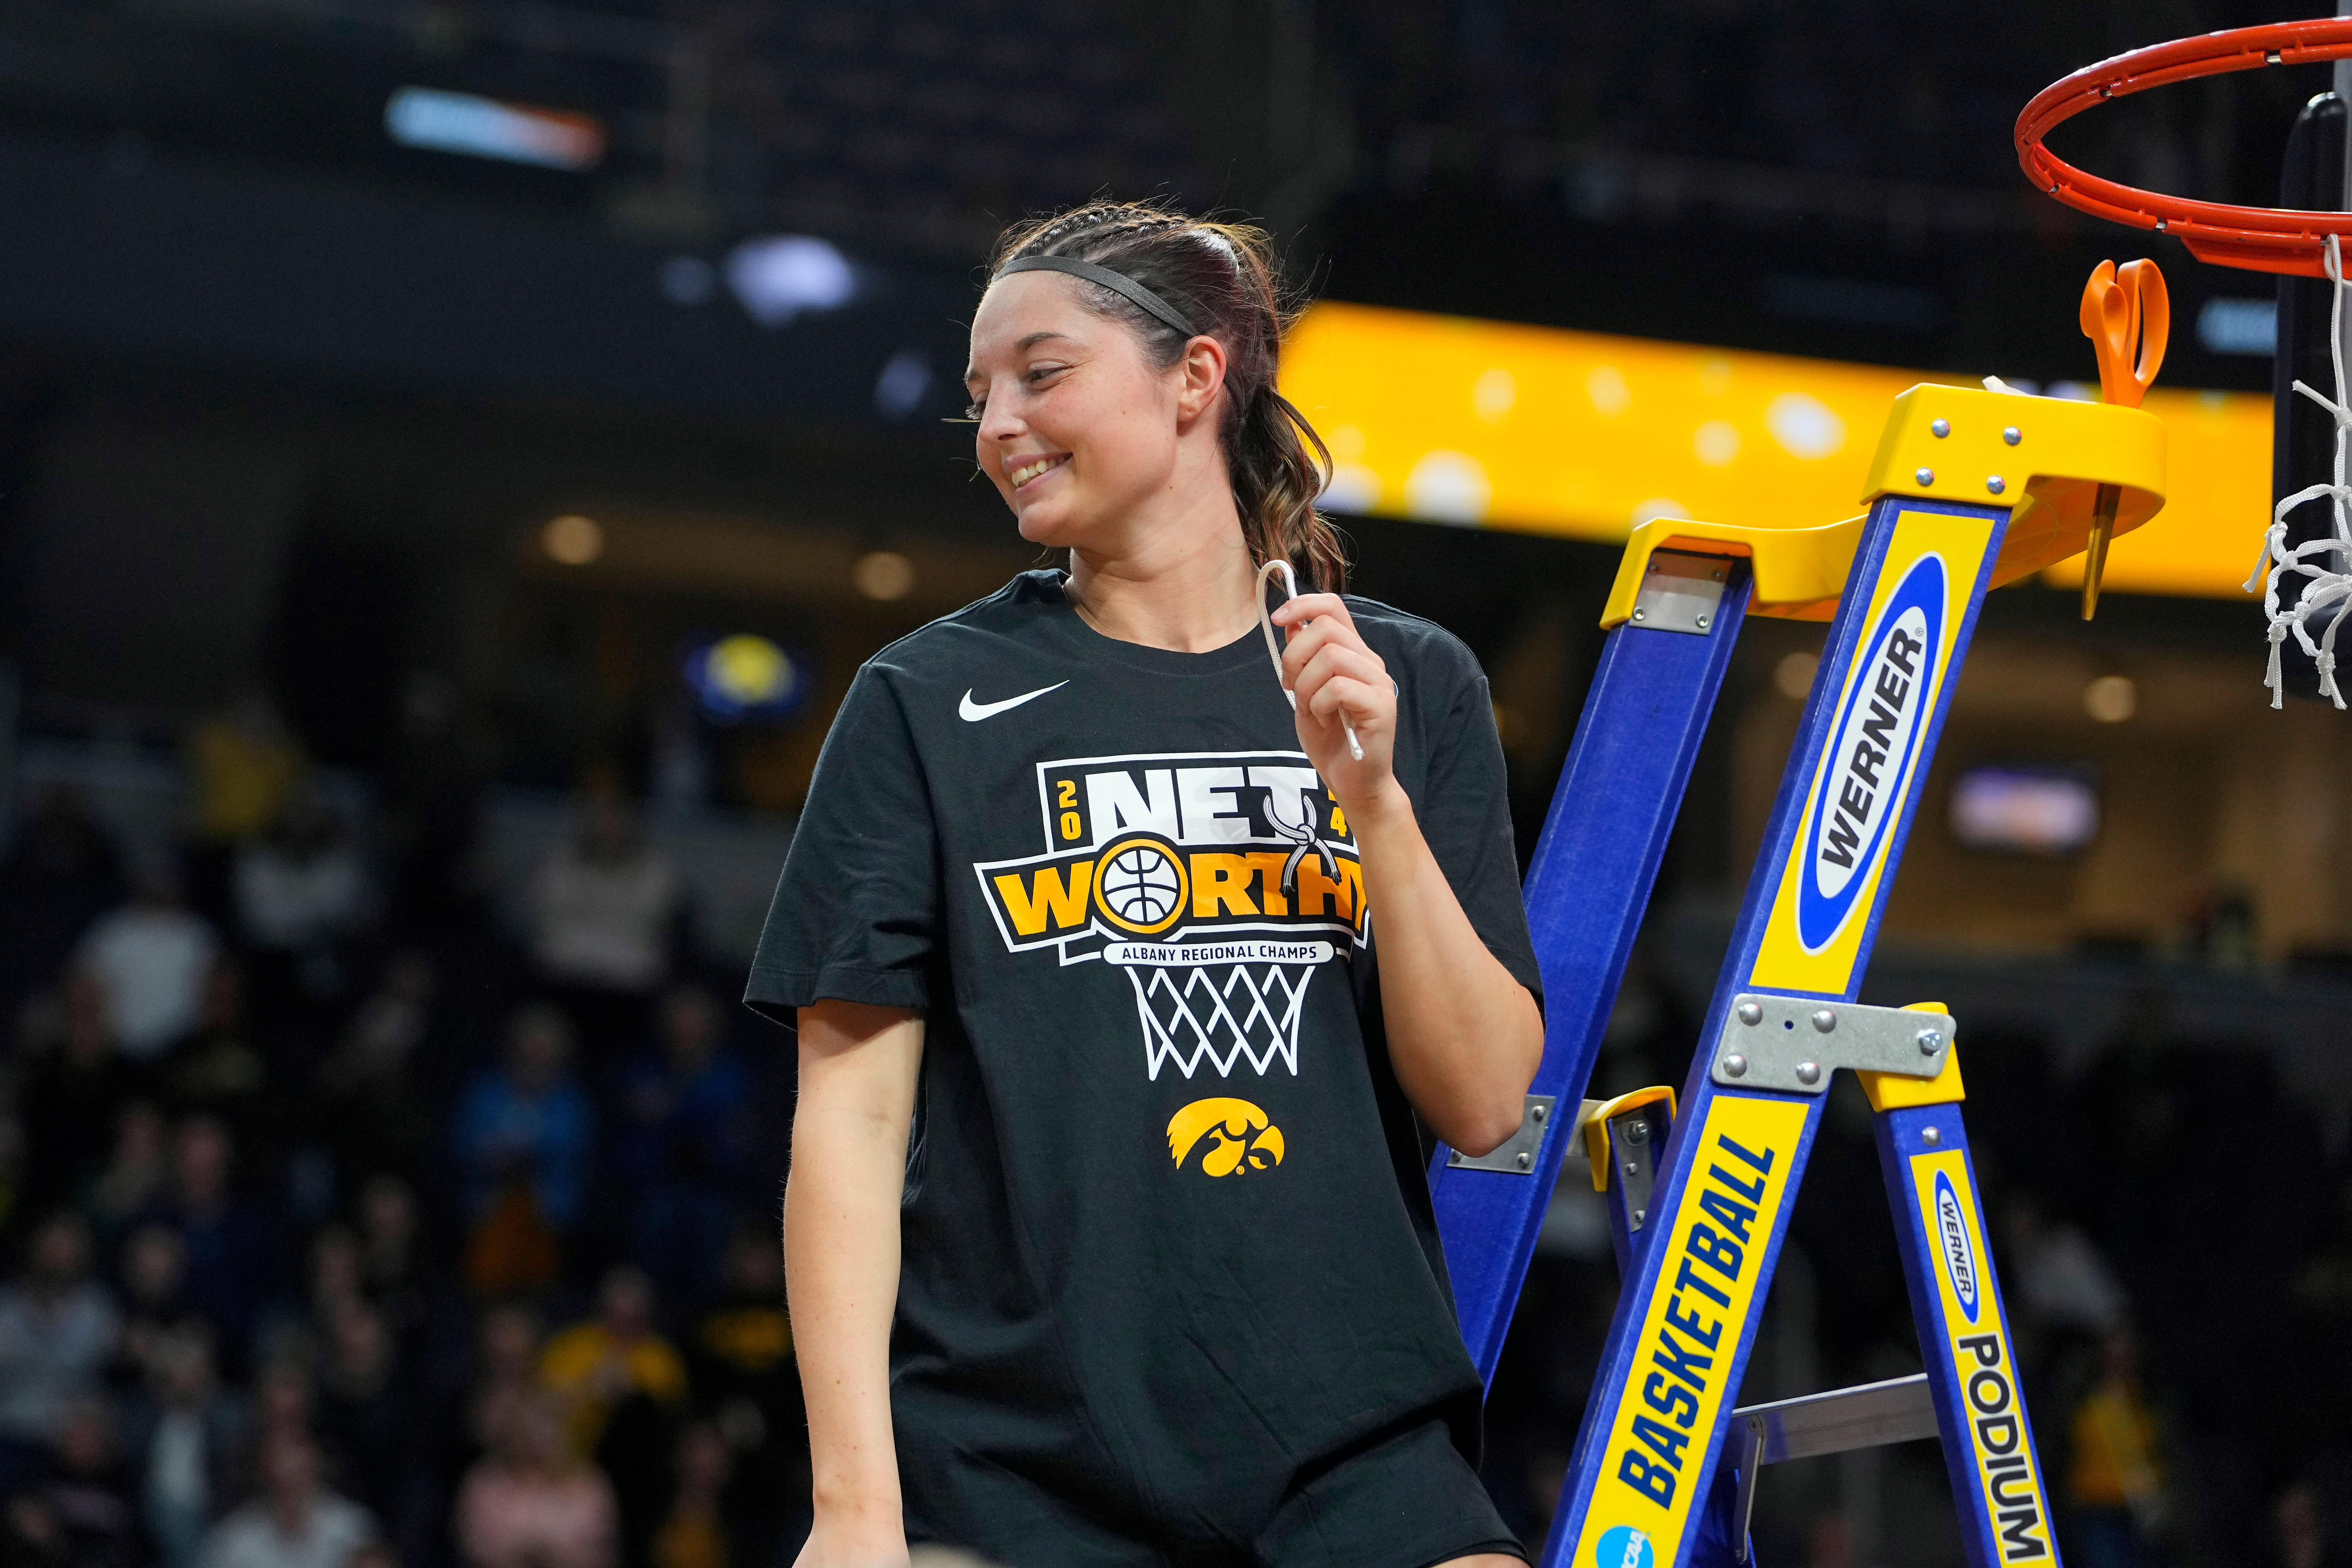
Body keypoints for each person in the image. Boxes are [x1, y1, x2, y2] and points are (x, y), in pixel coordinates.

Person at [752, 201, 1544, 1567]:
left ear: (1194, 380)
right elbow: (848, 1127)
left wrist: (1374, 806)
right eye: (978, 393)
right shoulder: (922, 701)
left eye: (1041, 373)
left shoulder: (1407, 683)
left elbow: (1480, 1102)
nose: (997, 422)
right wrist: (853, 1511)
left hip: (1350, 1458)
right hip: (1010, 1474)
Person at [450, 1009, 594, 1296]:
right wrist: (490, 1154)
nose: (536, 1059)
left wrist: (529, 1153)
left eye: (545, 1053)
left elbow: (573, 1150)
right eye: (530, 1050)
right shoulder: (486, 1091)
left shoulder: (571, 1101)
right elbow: (463, 1143)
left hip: (547, 1207)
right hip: (488, 1201)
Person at [0, 1215, 121, 1459]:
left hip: (75, 1443)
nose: (58, 1256)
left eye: (66, 1248)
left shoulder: (98, 1309)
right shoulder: (7, 1306)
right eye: (52, 1247)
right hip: (10, 1432)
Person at [452, 1390, 616, 1568]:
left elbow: (601, 1552)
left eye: (548, 1425)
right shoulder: (484, 1484)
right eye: (528, 1427)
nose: (538, 1437)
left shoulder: (591, 1485)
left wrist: (556, 1558)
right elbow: (474, 1550)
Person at [75, 869, 219, 1066]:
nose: (159, 887)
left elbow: (218, 993)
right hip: (117, 1049)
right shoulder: (110, 933)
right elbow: (84, 988)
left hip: (186, 1050)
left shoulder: (198, 935)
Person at [196, 1433, 375, 1568]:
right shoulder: (235, 1543)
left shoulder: (353, 1529)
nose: (291, 1486)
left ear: (316, 1470)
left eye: (299, 1475)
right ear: (264, 1479)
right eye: (281, 1482)